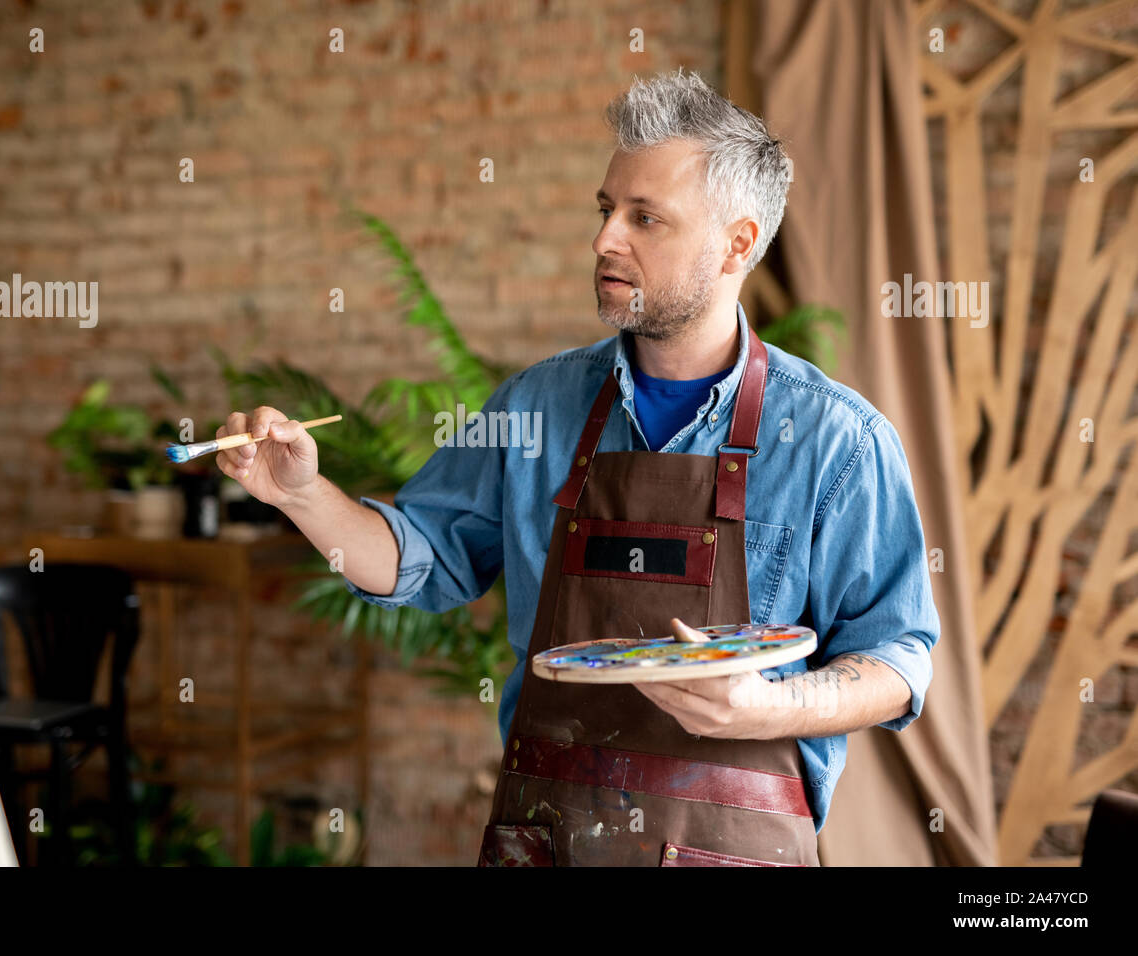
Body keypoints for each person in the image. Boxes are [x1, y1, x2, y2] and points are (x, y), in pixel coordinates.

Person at [216, 69, 940, 867]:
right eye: (606, 210)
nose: (605, 240)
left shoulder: (839, 441)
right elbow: (419, 558)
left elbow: (898, 658)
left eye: (645, 218)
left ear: (737, 243)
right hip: (547, 841)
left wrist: (766, 709)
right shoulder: (539, 405)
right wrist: (303, 495)